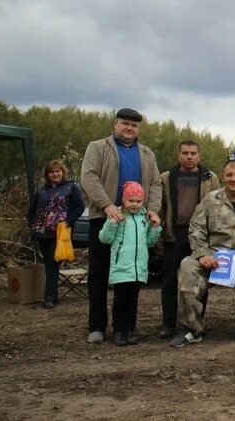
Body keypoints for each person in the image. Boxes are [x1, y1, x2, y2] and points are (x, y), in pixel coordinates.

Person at [170, 159, 235, 347]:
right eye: (229, 175)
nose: (233, 179)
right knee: (187, 265)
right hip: (214, 257)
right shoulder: (210, 199)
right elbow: (196, 229)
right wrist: (202, 255)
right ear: (223, 177)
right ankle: (190, 328)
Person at [80, 107, 161, 344]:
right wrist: (107, 205)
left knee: (130, 277)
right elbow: (88, 176)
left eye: (134, 125)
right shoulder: (98, 147)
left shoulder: (147, 154)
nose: (129, 128)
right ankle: (97, 326)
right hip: (104, 218)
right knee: (99, 272)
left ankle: (125, 327)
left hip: (136, 221)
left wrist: (153, 210)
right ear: (115, 125)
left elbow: (156, 184)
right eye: (125, 123)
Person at [157, 140, 220, 339]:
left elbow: (218, 208)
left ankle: (196, 322)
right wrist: (159, 233)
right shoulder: (166, 178)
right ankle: (168, 324)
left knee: (200, 279)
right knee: (169, 281)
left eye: (193, 153)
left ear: (199, 156)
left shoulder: (210, 178)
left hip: (201, 236)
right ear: (179, 155)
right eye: (185, 153)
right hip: (175, 234)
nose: (189, 157)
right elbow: (161, 206)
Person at [99, 182, 162, 346]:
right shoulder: (117, 216)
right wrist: (112, 222)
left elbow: (149, 242)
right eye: (131, 201)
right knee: (120, 300)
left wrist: (155, 228)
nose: (134, 205)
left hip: (138, 268)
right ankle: (119, 331)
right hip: (121, 267)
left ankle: (131, 329)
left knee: (133, 300)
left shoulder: (144, 218)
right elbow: (104, 238)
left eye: (138, 201)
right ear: (124, 200)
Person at [27, 160, 85, 308]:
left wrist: (68, 222)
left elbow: (80, 207)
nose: (55, 174)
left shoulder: (71, 187)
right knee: (48, 264)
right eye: (51, 172)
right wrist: (32, 226)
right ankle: (52, 295)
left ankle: (50, 298)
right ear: (47, 175)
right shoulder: (41, 191)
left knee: (53, 263)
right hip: (42, 233)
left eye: (58, 171)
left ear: (63, 172)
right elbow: (32, 210)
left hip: (61, 233)